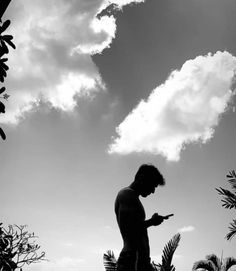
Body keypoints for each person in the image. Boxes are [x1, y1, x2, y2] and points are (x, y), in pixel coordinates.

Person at [115, 164, 169, 271]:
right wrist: (152, 221)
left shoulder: (131, 196)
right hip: (132, 260)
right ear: (142, 178)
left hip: (137, 260)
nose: (153, 191)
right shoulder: (127, 194)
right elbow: (131, 229)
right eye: (153, 185)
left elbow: (136, 227)